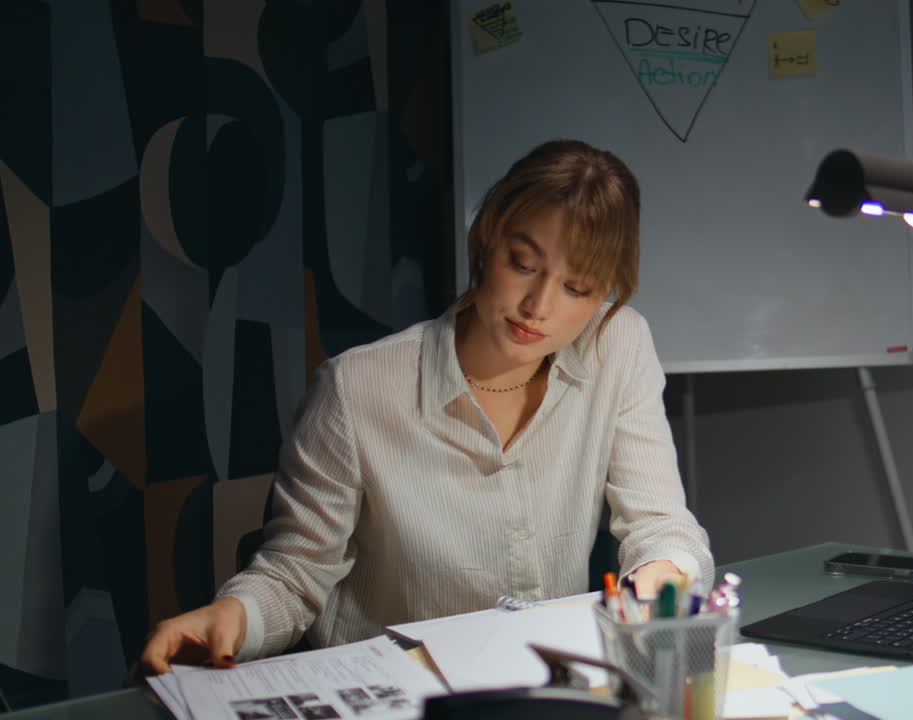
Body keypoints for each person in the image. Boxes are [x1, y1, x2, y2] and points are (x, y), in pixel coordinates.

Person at [138, 139, 713, 673]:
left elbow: (660, 522)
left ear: (604, 293)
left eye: (577, 288)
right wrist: (234, 615)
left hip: (537, 686)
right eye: (523, 264)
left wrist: (662, 576)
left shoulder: (619, 343)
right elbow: (296, 573)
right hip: (393, 692)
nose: (538, 305)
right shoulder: (358, 386)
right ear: (487, 241)